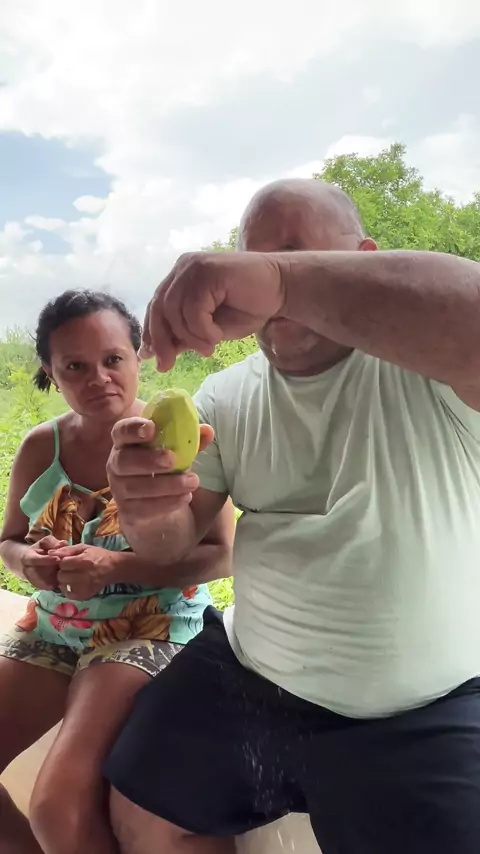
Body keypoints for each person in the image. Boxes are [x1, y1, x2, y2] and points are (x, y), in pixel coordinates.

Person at [103, 177, 480, 854]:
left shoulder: (429, 368)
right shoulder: (222, 396)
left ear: (365, 260)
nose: (262, 283)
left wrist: (282, 282)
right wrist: (144, 508)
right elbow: (169, 544)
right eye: (254, 259)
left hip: (425, 709)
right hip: (250, 672)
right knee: (140, 814)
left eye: (296, 254)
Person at [0, 289, 234, 854]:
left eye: (112, 359)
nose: (99, 378)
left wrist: (115, 567)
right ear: (50, 372)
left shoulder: (176, 440)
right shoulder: (41, 447)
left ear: (138, 357)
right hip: (54, 626)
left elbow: (223, 553)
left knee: (57, 807)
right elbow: (8, 540)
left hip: (149, 625)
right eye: (75, 366)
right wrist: (28, 560)